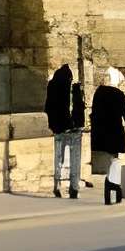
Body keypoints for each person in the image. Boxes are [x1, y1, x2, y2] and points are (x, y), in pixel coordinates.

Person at [91, 66, 125, 204]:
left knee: (109, 160)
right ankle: (114, 187)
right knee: (115, 159)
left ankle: (111, 189)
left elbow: (94, 114)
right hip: (115, 131)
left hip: (101, 133)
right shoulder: (118, 94)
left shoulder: (98, 93)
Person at [43, 62, 86, 199]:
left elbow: (47, 107)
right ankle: (74, 187)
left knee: (58, 158)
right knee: (75, 159)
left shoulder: (52, 86)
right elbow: (79, 107)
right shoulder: (74, 88)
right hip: (74, 128)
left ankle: (57, 185)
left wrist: (52, 124)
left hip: (58, 127)